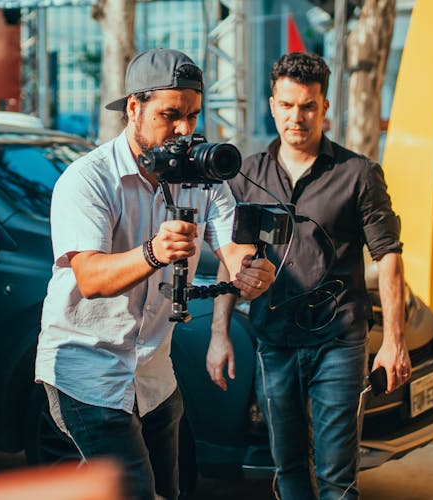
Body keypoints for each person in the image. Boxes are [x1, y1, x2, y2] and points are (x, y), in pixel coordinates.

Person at [34, 48, 276, 500]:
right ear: (133, 107)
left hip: (153, 373)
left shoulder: (203, 179)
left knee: (172, 490)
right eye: (170, 115)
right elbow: (90, 278)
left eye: (193, 115)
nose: (185, 129)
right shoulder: (87, 179)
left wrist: (254, 270)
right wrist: (152, 252)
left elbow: (234, 249)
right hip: (87, 370)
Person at [207, 52, 411, 499]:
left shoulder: (358, 174)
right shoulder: (246, 176)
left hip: (338, 341)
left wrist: (395, 341)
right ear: (271, 104)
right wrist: (219, 334)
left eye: (308, 106)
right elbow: (231, 259)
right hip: (273, 341)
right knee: (289, 467)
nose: (296, 117)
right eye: (287, 105)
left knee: (337, 476)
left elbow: (389, 256)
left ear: (325, 107)